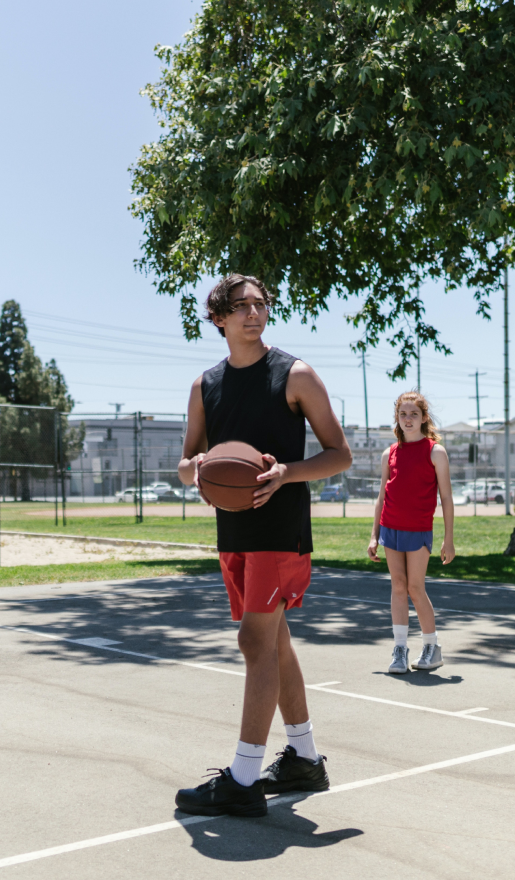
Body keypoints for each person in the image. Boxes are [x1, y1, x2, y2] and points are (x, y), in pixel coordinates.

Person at [174, 274, 353, 817]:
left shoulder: (294, 375)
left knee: (254, 642)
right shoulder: (205, 386)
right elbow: (185, 465)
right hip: (235, 532)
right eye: (241, 305)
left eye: (261, 303)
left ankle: (244, 779)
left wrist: (287, 472)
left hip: (280, 531)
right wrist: (197, 469)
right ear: (219, 318)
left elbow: (340, 454)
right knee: (275, 644)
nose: (254, 312)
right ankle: (304, 759)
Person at [367, 391, 455, 674]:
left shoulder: (435, 452)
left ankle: (432, 647)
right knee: (398, 586)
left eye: (413, 414)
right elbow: (382, 497)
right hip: (390, 528)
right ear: (397, 417)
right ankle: (400, 649)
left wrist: (449, 540)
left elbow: (446, 498)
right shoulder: (389, 453)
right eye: (403, 414)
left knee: (415, 588)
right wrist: (374, 535)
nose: (408, 419)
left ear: (424, 417)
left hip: (418, 530)